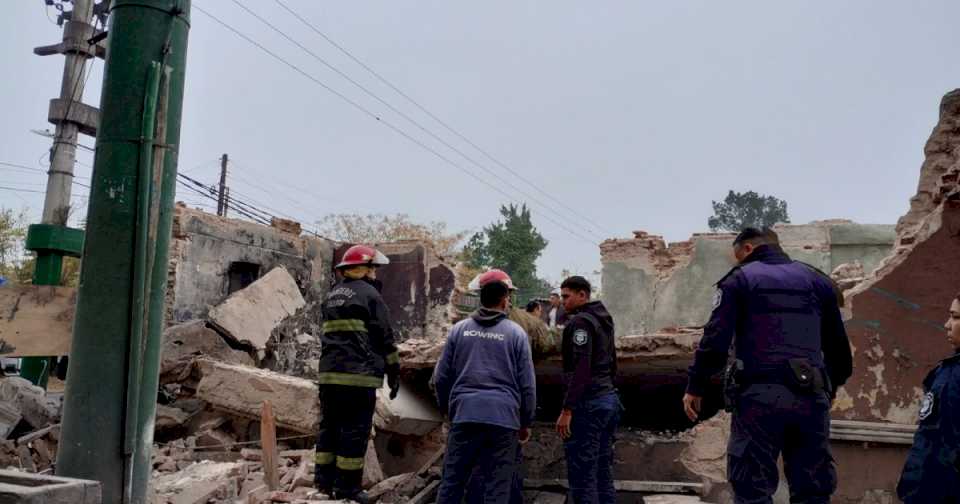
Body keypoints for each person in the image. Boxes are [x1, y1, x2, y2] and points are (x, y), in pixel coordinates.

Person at [682, 228, 853, 504]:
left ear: (747, 248)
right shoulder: (818, 282)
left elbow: (715, 341)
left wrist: (696, 386)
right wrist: (828, 389)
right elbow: (839, 350)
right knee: (813, 490)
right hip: (811, 398)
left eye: (735, 254)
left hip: (759, 400)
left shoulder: (740, 280)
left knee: (753, 489)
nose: (734, 261)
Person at [432, 269, 537, 504]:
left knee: (452, 481)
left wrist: (448, 410)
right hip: (504, 419)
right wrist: (526, 421)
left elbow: (440, 377)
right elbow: (527, 385)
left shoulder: (459, 330)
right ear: (504, 299)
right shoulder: (516, 334)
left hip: (464, 415)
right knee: (497, 487)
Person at [315, 245, 400, 503]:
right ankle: (348, 488)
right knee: (354, 432)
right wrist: (394, 372)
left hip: (329, 376)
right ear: (364, 269)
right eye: (374, 268)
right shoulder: (371, 296)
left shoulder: (331, 296)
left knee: (329, 428)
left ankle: (323, 482)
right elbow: (385, 337)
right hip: (358, 378)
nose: (375, 273)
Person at [555, 275, 620, 504]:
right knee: (603, 471)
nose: (563, 301)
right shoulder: (604, 319)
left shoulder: (580, 323)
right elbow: (612, 361)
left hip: (589, 405)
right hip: (607, 400)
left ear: (582, 294)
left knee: (583, 475)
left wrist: (567, 410)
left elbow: (581, 368)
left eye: (566, 296)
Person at [897, 292, 960, 503]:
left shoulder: (955, 374)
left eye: (956, 317)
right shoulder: (948, 370)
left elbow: (948, 442)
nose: (947, 325)